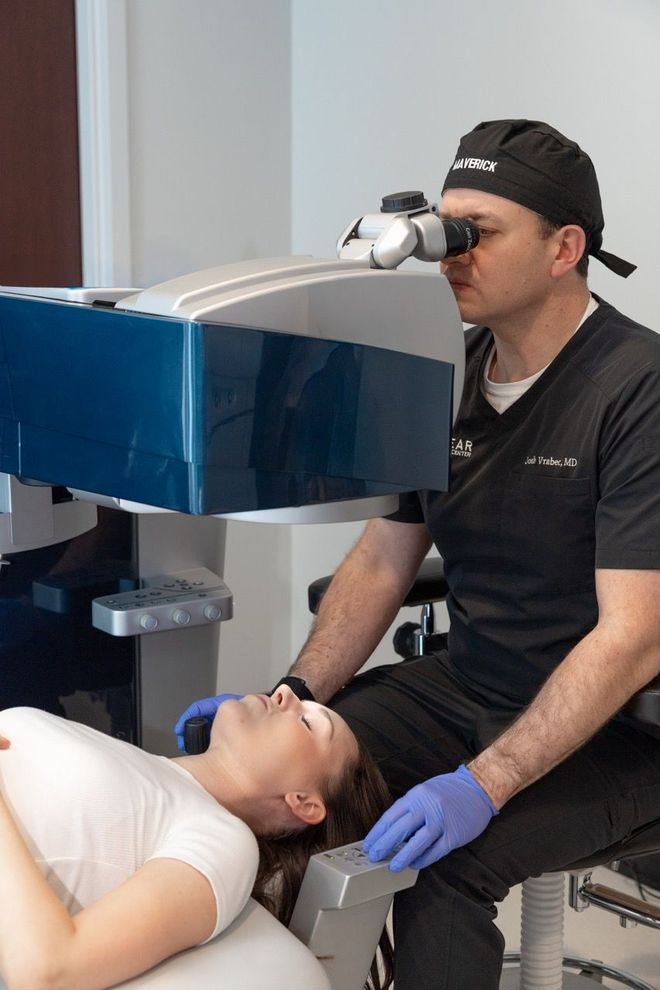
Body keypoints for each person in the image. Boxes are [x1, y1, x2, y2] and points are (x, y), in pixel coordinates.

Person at [176, 118, 660, 989]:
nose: (451, 254)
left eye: (480, 232)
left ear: (565, 248)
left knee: (442, 868)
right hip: (471, 683)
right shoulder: (445, 372)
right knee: (265, 793)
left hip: (622, 728)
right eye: (447, 227)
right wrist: (292, 697)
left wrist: (483, 783)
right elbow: (380, 562)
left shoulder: (638, 391)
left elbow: (633, 637)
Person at [0, 685, 392, 990]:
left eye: (308, 722)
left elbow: (46, 972)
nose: (285, 693)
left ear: (304, 802)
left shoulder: (223, 840)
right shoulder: (149, 769)